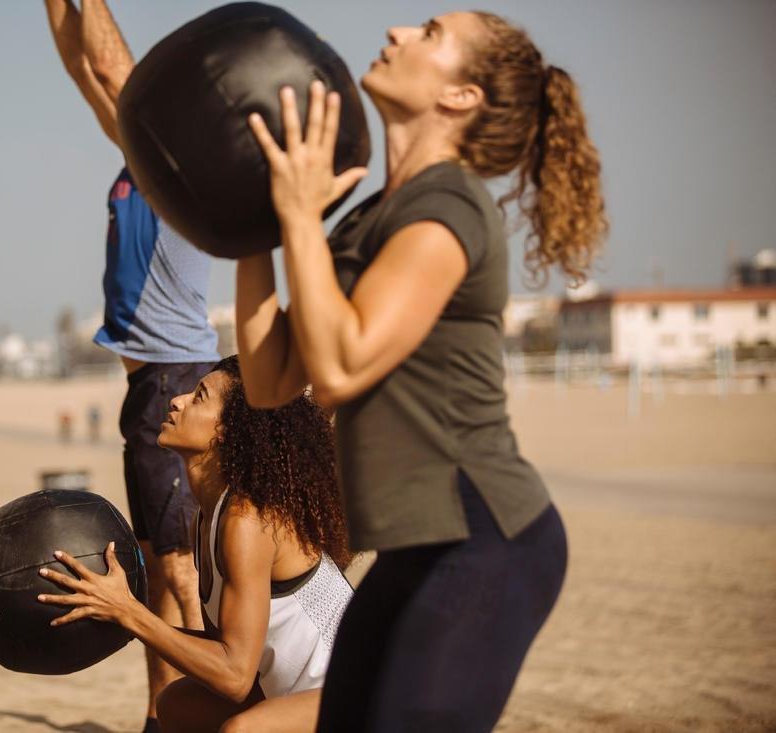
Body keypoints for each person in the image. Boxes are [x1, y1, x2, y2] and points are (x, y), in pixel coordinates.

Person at [239, 11, 607, 731]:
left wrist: (298, 220)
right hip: (413, 547)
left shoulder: (450, 204)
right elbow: (272, 381)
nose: (400, 30)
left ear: (461, 96)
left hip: (484, 539)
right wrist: (255, 229)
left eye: (431, 33)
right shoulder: (366, 218)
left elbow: (342, 365)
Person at [42, 2, 222, 730]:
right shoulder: (139, 161)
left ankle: (191, 713)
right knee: (154, 567)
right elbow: (87, 73)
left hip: (178, 383)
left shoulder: (180, 165)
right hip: (150, 386)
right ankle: (161, 715)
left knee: (179, 572)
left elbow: (114, 68)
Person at [37, 356, 354, 733]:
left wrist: (131, 613)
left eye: (199, 397)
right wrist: (118, 616)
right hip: (299, 693)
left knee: (245, 730)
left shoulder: (246, 521)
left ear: (228, 430)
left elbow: (234, 676)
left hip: (366, 690)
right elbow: (223, 649)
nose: (177, 400)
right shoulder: (206, 518)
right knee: (178, 704)